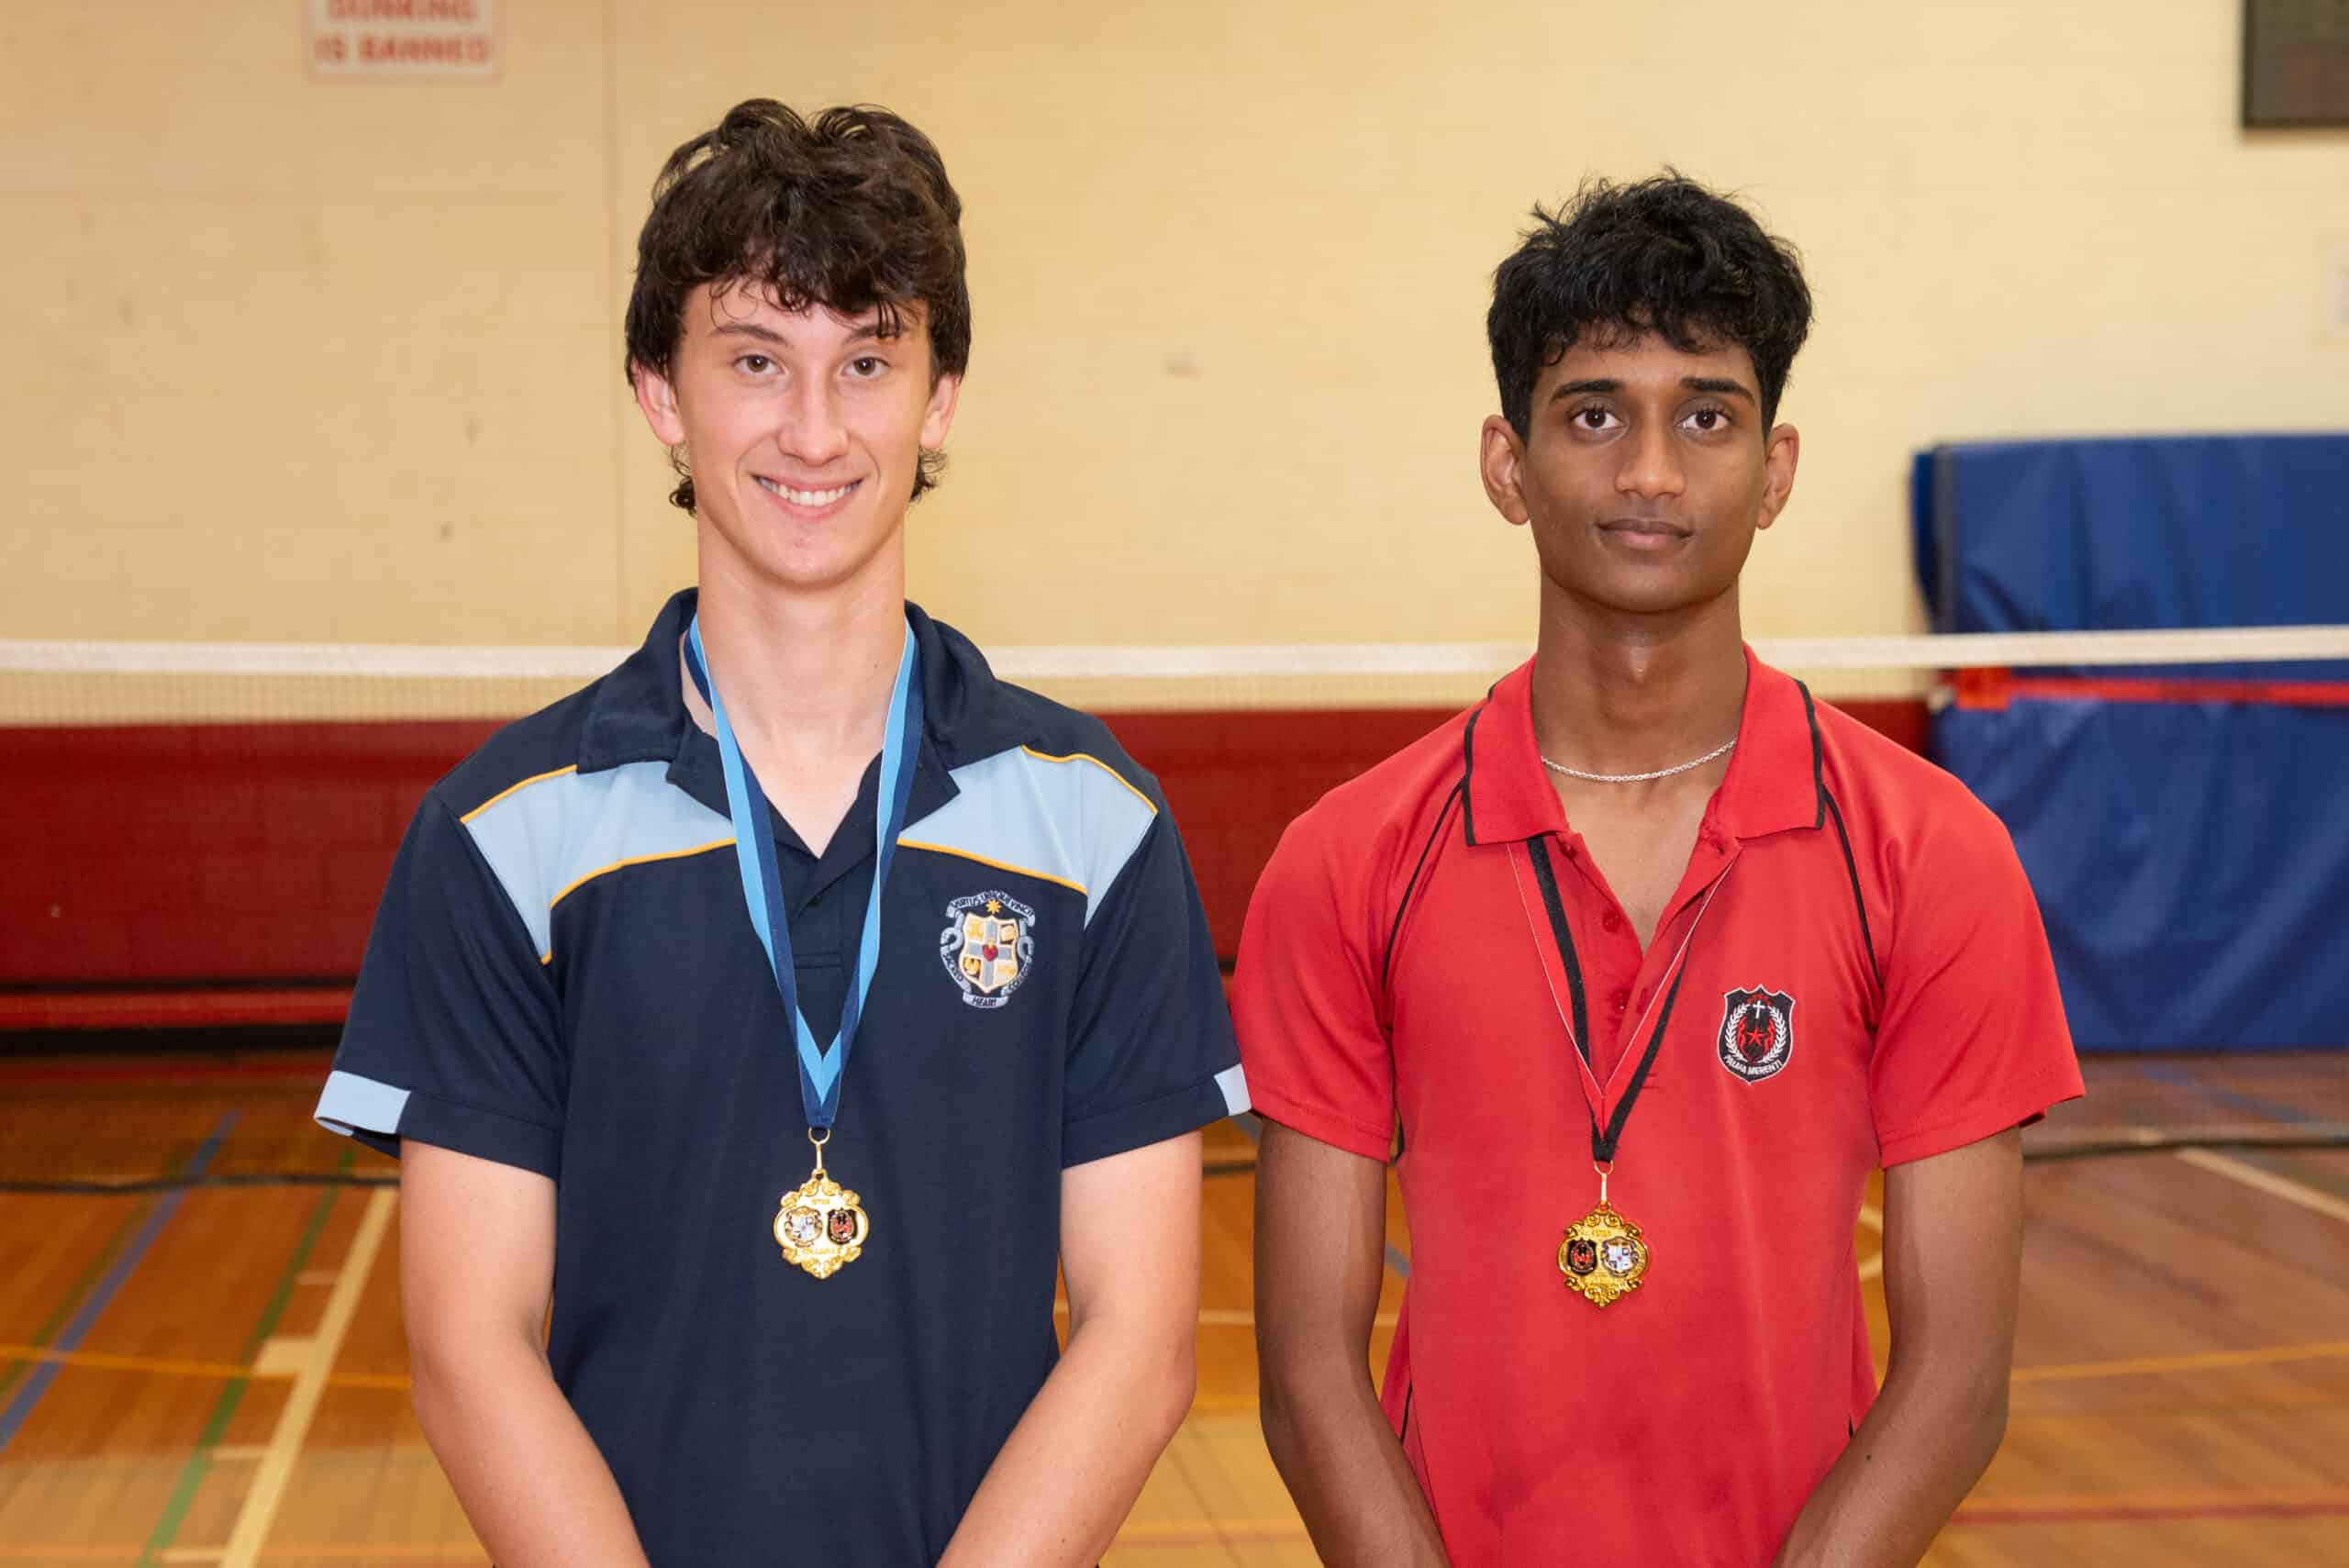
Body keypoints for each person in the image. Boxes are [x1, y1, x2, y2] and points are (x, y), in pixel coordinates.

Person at [312, 100, 1245, 1567]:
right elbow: (466, 1344)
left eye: (868, 361)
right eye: (756, 360)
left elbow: (1139, 1338)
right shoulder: (505, 837)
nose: (815, 430)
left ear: (939, 398)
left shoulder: (1095, 824)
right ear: (659, 392)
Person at [1232, 174, 2083, 1566]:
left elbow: (1957, 1378)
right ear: (1507, 465)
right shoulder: (1347, 861)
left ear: (1777, 468)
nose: (1649, 472)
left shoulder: (1932, 854)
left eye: (1705, 415)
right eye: (1593, 414)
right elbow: (1307, 1373)